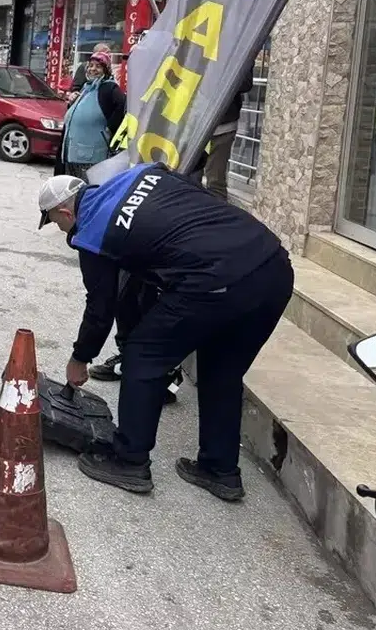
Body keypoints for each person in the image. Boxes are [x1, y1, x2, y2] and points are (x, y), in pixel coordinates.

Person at [36, 165, 293, 501]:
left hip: (216, 277)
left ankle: (129, 460)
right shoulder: (142, 174)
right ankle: (220, 471)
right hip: (273, 267)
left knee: (143, 355)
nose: (61, 230)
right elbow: (139, 283)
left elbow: (101, 309)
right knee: (222, 370)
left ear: (65, 212)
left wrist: (79, 358)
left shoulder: (94, 231)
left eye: (55, 222)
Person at [56, 51, 125, 180]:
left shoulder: (109, 88)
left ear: (106, 70)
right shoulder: (86, 87)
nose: (93, 69)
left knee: (86, 188)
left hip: (91, 156)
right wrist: (72, 102)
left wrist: (109, 129)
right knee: (74, 188)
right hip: (72, 153)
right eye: (91, 65)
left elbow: (122, 106)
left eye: (98, 66)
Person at [201, 68, 256, 200]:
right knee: (189, 178)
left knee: (215, 180)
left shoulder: (236, 54)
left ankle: (216, 212)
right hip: (195, 125)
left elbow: (246, 84)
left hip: (223, 126)